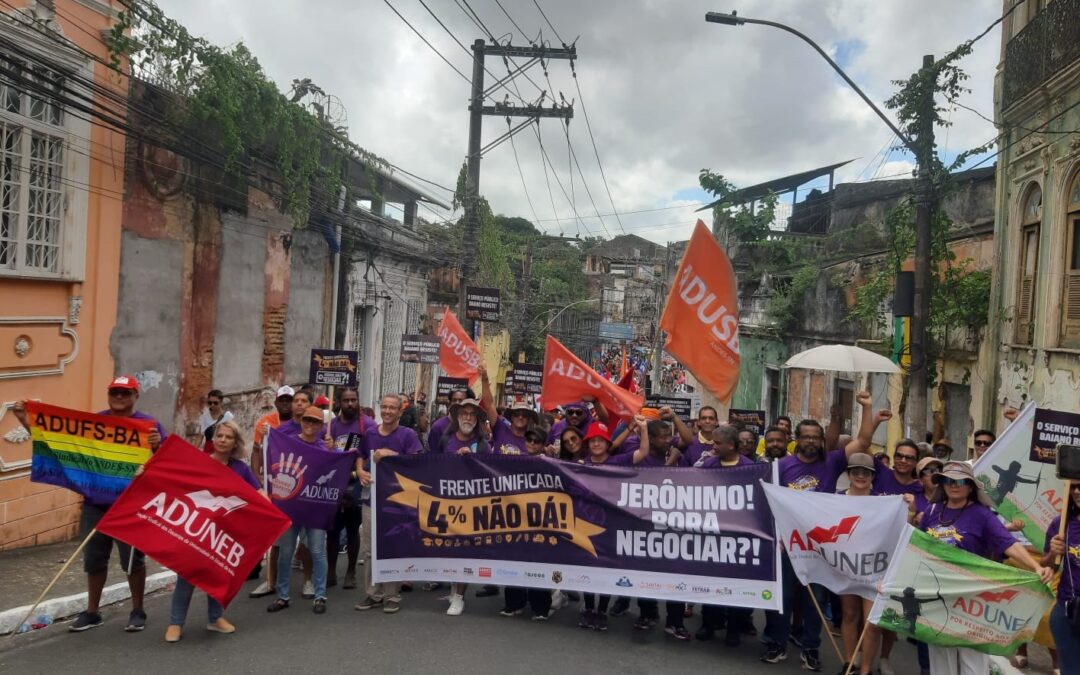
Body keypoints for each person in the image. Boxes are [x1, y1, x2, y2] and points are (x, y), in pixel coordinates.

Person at [12, 375, 165, 632]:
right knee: (93, 561)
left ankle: (138, 610)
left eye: (125, 393)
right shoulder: (94, 423)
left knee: (132, 561)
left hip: (131, 505)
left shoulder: (149, 427)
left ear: (135, 397)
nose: (119, 397)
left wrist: (157, 446)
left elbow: (166, 463)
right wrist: (25, 421)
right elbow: (56, 444)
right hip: (95, 505)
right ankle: (92, 612)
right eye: (115, 392)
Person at [762, 391, 890, 671]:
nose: (810, 441)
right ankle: (778, 645)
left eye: (815, 437)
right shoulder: (780, 467)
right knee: (782, 597)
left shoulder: (831, 462)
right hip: (790, 545)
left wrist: (867, 407)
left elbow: (864, 441)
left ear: (821, 440)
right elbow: (772, 503)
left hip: (822, 546)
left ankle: (810, 649)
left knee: (815, 601)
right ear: (796, 438)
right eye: (805, 436)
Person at [920, 461, 1052, 675]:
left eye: (961, 481)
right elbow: (916, 550)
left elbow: (1007, 542)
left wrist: (1036, 566)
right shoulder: (931, 511)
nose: (954, 485)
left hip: (971, 601)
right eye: (948, 480)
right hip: (937, 596)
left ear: (971, 486)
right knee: (941, 662)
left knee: (972, 661)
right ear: (941, 484)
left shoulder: (982, 515)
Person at [165, 421, 262, 642]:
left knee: (218, 574)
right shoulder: (199, 463)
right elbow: (173, 479)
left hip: (224, 533)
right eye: (220, 436)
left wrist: (273, 510)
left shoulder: (240, 469)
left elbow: (258, 494)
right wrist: (147, 471)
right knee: (187, 575)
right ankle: (175, 623)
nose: (223, 440)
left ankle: (215, 618)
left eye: (228, 437)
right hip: (195, 528)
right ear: (213, 439)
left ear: (235, 442)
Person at [355, 394, 423, 614]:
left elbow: (417, 462)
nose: (387, 411)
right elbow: (360, 454)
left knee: (392, 546)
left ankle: (392, 595)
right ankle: (373, 594)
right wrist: (360, 470)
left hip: (397, 500)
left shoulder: (407, 435)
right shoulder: (370, 433)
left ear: (400, 412)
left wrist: (391, 454)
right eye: (384, 407)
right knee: (369, 549)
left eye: (392, 408)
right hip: (371, 498)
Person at [695, 425, 757, 646]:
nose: (713, 446)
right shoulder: (710, 465)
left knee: (737, 584)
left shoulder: (750, 468)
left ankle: (734, 628)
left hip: (739, 537)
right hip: (712, 535)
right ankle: (709, 624)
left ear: (731, 445)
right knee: (710, 581)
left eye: (717, 443)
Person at [267, 406, 332, 615]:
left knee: (317, 551)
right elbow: (272, 455)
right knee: (285, 553)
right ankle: (282, 596)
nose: (310, 425)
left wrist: (332, 452)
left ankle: (320, 595)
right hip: (291, 506)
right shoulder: (290, 442)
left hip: (315, 508)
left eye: (315, 422)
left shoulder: (325, 447)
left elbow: (339, 467)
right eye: (307, 420)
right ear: (301, 421)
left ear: (322, 426)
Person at [501, 427, 560, 621]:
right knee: (514, 558)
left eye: (537, 441)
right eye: (529, 440)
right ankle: (514, 603)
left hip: (542, 518)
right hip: (516, 518)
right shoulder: (515, 461)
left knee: (539, 561)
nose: (532, 444)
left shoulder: (551, 463)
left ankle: (540, 607)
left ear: (543, 444)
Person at [836, 453, 884, 675]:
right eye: (856, 471)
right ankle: (850, 662)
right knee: (849, 615)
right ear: (849, 474)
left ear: (872, 476)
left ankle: (866, 670)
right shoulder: (835, 499)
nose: (861, 476)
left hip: (874, 569)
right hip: (845, 566)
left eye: (866, 472)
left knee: (872, 623)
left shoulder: (884, 502)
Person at [249, 385, 295, 599]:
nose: (285, 404)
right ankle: (271, 580)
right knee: (275, 534)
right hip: (273, 485)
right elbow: (257, 451)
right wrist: (257, 477)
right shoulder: (265, 423)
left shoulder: (302, 422)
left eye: (289, 400)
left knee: (302, 535)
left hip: (296, 484)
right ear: (276, 402)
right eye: (282, 400)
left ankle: (307, 581)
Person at [326, 386, 369, 591]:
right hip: (334, 485)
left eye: (353, 400)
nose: (350, 404)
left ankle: (351, 571)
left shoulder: (366, 425)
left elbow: (369, 453)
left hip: (355, 485)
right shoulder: (330, 427)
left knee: (352, 529)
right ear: (339, 403)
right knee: (333, 531)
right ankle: (331, 571)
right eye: (346, 400)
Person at [1043, 480, 1080, 673]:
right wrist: (1052, 553)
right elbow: (1049, 566)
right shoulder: (1061, 523)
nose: (1076, 491)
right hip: (1068, 612)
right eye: (1073, 487)